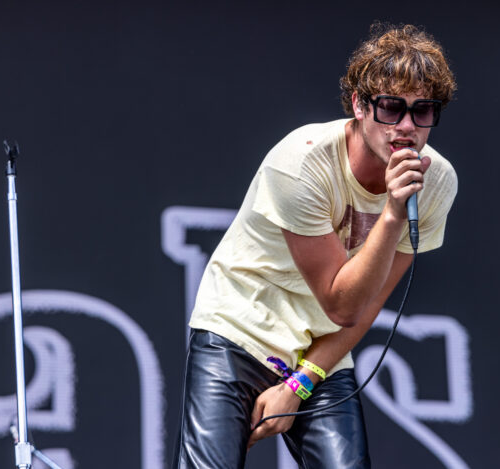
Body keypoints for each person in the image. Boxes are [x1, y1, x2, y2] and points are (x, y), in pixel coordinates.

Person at [173, 22, 458, 469]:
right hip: (240, 325)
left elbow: (364, 306)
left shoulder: (436, 182)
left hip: (320, 347)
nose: (406, 126)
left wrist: (301, 381)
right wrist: (391, 214)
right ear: (359, 105)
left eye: (422, 111)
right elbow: (340, 303)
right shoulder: (302, 163)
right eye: (391, 107)